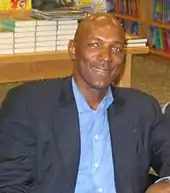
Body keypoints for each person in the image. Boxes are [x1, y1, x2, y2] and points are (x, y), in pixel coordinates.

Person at [0, 13, 170, 193]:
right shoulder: (28, 104)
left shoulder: (142, 108)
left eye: (117, 49)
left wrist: (166, 183)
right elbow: (10, 184)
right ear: (73, 49)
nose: (107, 57)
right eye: (95, 45)